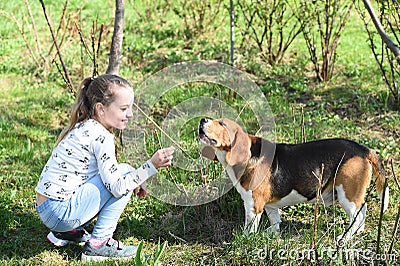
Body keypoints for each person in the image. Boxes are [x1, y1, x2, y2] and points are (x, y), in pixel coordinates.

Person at [35, 74, 175, 262]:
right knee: (124, 174)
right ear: (100, 109)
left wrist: (136, 176)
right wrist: (150, 166)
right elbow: (117, 187)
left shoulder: (84, 126)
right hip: (61, 214)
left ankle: (67, 233)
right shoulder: (101, 136)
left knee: (124, 169)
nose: (130, 114)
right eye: (124, 109)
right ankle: (98, 244)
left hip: (47, 209)